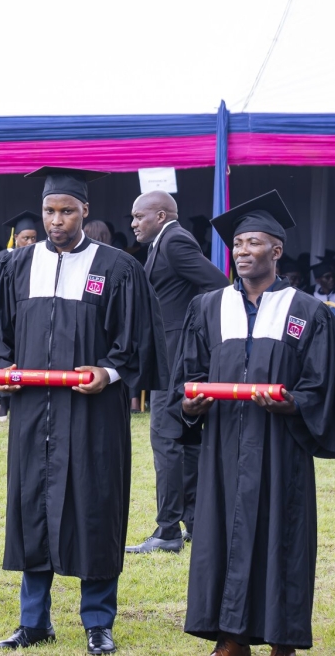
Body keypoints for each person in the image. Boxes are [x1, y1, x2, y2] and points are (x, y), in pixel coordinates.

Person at [0, 167, 166, 655]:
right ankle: (33, 620)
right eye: (49, 211)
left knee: (95, 506)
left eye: (66, 211)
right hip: (32, 411)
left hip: (92, 414)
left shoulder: (116, 268)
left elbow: (136, 343)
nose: (56, 221)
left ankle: (98, 621)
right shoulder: (15, 266)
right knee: (31, 506)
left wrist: (109, 373)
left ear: (86, 211)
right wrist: (1, 369)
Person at [167, 190, 335, 656]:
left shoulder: (307, 311)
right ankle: (229, 637)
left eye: (252, 243)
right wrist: (189, 405)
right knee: (221, 535)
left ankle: (282, 639)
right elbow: (187, 377)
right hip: (224, 444)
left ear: (276, 250)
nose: (242, 252)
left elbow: (322, 386)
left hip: (280, 447)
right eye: (236, 245)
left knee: (282, 538)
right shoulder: (209, 308)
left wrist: (292, 403)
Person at [125, 190, 228, 556]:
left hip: (176, 357)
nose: (134, 223)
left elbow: (218, 284)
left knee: (166, 439)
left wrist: (192, 327)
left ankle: (167, 530)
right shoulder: (162, 243)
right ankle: (196, 525)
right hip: (170, 355)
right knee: (183, 442)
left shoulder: (175, 241)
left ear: (162, 215)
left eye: (139, 216)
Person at [0, 211, 42, 421]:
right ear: (15, 238)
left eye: (34, 237)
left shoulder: (42, 260)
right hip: (5, 319)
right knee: (6, 359)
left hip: (29, 320)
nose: (30, 242)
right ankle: (3, 403)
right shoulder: (2, 260)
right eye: (26, 238)